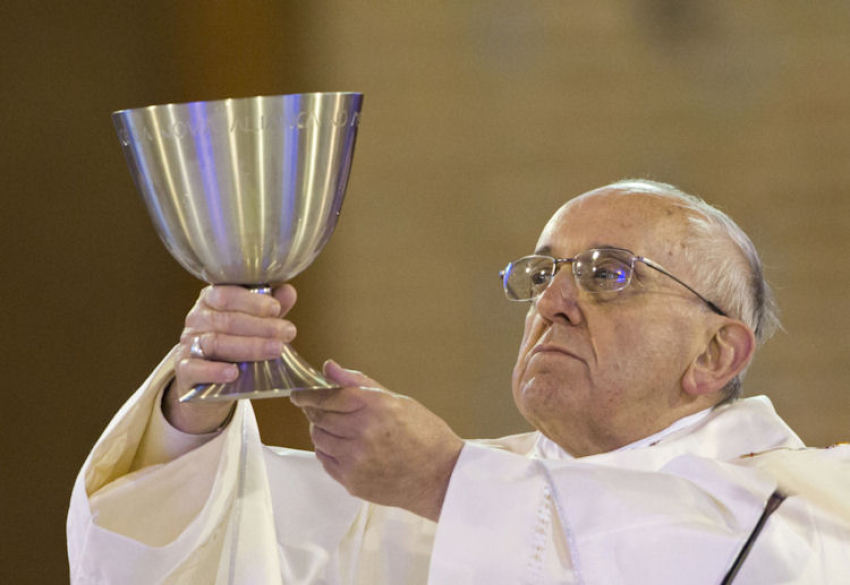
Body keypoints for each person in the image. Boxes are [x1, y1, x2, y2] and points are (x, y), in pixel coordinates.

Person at [68, 179, 849, 584]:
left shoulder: (814, 512)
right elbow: (207, 548)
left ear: (715, 353)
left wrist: (445, 479)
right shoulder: (420, 511)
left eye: (608, 273)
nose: (554, 301)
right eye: (541, 274)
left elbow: (725, 559)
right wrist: (195, 404)